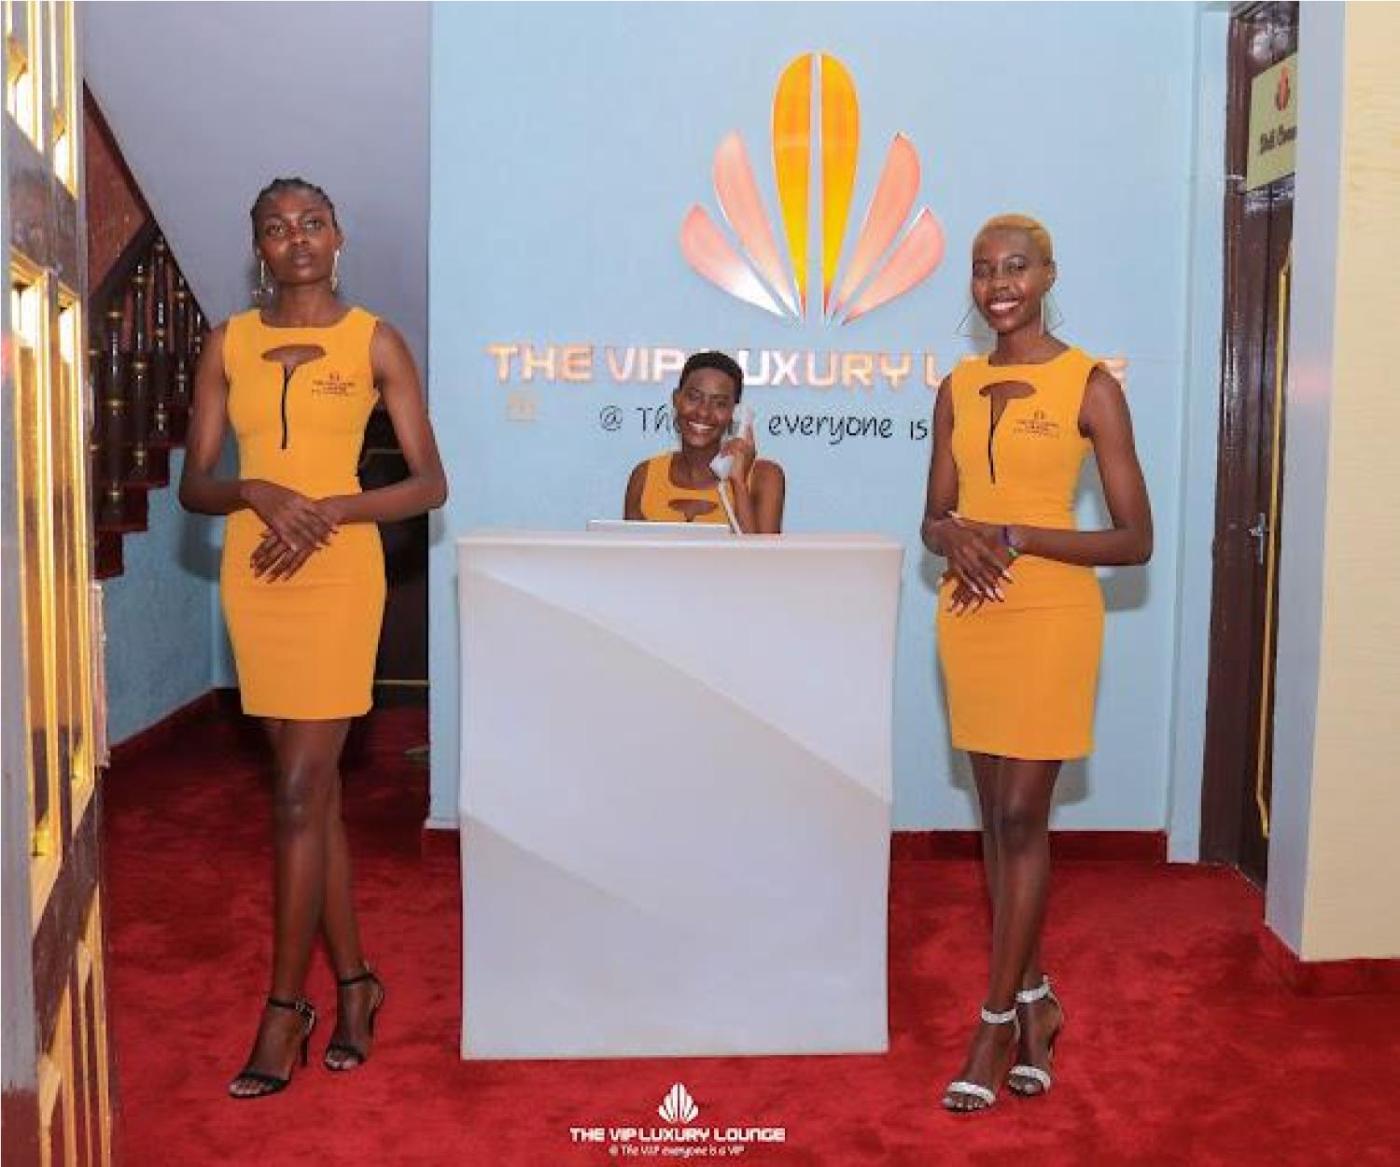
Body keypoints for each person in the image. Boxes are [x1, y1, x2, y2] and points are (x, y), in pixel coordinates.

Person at [179, 178, 448, 1099]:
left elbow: (429, 483)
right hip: (256, 577)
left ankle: (284, 1008)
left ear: (338, 239)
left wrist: (331, 507)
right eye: (275, 228)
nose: (295, 238)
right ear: (257, 248)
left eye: (312, 224)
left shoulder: (375, 340)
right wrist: (253, 490)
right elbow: (196, 486)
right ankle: (358, 984)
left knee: (296, 791)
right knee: (315, 799)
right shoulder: (227, 343)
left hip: (338, 575)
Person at [920, 214, 1152, 1112]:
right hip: (970, 613)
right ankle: (1036, 1001)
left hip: (1054, 613)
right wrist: (954, 536)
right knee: (997, 818)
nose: (998, 284)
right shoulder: (956, 385)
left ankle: (992, 1022)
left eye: (1016, 266)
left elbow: (1134, 539)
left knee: (1022, 813)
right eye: (984, 270)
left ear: (1049, 273)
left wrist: (1019, 533)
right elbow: (934, 516)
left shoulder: (1089, 384)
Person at [623, 351, 785, 533]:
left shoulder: (764, 477)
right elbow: (629, 552)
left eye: (720, 403)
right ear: (676, 399)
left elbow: (758, 552)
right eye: (694, 397)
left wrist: (739, 485)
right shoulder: (644, 476)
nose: (703, 412)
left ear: (735, 413)